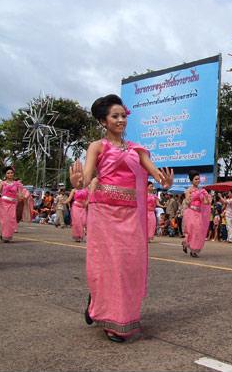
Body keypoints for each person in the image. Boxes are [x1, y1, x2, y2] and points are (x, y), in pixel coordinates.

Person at [69, 94, 173, 343]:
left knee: (128, 266)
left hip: (130, 214)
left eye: (123, 116)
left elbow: (154, 172)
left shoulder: (137, 149)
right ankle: (112, 319)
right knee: (110, 265)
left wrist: (165, 182)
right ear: (103, 121)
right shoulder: (97, 146)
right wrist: (78, 182)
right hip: (104, 214)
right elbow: (86, 177)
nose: (120, 120)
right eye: (114, 116)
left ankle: (104, 304)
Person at [181, 171, 211, 258]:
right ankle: (189, 247)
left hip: (198, 213)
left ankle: (192, 248)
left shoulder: (201, 190)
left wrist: (207, 197)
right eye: (196, 179)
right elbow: (187, 202)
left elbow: (205, 203)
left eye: (199, 179)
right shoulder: (188, 191)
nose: (198, 180)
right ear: (191, 180)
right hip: (190, 212)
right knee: (191, 231)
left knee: (198, 231)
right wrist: (195, 195)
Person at [0, 167, 24, 242]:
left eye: (11, 173)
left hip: (12, 204)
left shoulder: (17, 184)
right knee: (5, 220)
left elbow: (20, 194)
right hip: (3, 203)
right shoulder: (2, 183)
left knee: (11, 220)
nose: (10, 174)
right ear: (5, 175)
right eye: (8, 173)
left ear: (13, 174)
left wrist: (21, 196)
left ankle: (7, 235)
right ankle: (5, 235)